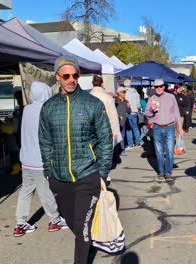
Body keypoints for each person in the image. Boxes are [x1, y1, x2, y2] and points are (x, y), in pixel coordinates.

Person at [39, 56, 113, 264]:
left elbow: (105, 140)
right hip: (59, 177)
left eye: (75, 75)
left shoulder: (93, 104)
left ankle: (81, 257)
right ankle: (86, 242)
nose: (71, 79)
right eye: (66, 76)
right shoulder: (49, 107)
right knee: (73, 222)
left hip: (87, 174)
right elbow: (44, 141)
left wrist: (102, 173)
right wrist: (48, 170)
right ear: (58, 77)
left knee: (82, 224)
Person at [14, 82, 67, 237]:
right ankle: (54, 220)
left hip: (26, 158)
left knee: (26, 191)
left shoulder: (26, 110)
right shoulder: (47, 110)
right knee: (46, 191)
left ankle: (20, 223)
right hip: (41, 159)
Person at [145, 79, 184, 181]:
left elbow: (176, 112)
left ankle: (168, 172)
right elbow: (147, 114)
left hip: (170, 127)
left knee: (169, 151)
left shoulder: (171, 97)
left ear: (164, 87)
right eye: (156, 87)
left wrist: (180, 127)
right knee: (159, 151)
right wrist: (151, 110)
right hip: (157, 127)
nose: (158, 88)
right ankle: (161, 171)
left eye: (160, 86)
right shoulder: (152, 98)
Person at [90, 75, 121, 143]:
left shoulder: (87, 97)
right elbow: (113, 116)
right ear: (102, 84)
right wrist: (116, 131)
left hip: (90, 130)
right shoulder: (108, 98)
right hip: (106, 129)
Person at [123, 80, 142, 149]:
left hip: (128, 112)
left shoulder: (125, 92)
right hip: (135, 111)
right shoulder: (135, 92)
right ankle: (138, 142)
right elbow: (138, 103)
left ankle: (130, 144)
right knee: (136, 128)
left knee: (129, 129)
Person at [115, 87, 131, 156]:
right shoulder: (115, 101)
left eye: (124, 92)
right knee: (116, 136)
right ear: (118, 93)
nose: (124, 93)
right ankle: (117, 151)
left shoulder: (126, 101)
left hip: (123, 122)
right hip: (116, 121)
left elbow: (129, 112)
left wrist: (128, 107)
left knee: (122, 136)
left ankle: (122, 150)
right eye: (122, 92)